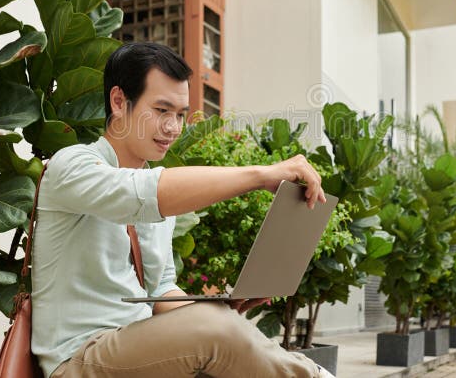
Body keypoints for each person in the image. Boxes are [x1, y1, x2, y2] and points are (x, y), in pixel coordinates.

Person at [31, 42, 334, 377]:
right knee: (213, 328)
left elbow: (160, 290)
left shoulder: (158, 191)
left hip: (138, 349)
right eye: (161, 111)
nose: (173, 128)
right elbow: (142, 194)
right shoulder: (73, 166)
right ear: (119, 102)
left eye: (179, 114)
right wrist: (262, 175)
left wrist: (218, 308)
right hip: (79, 359)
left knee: (219, 321)